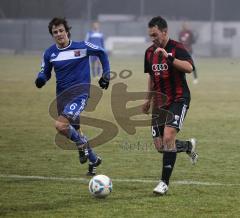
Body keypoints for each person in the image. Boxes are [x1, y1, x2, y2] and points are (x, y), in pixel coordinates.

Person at [35, 17, 110, 176]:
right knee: (73, 129)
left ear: (67, 31)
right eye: (55, 32)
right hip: (62, 97)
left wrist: (106, 74)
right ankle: (94, 160)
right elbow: (45, 72)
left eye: (61, 30)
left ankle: (81, 144)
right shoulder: (50, 53)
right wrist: (41, 78)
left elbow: (101, 52)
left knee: (60, 125)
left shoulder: (81, 46)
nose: (59, 34)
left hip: (80, 94)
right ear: (52, 35)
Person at [142, 16, 198, 195]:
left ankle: (164, 183)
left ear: (165, 32)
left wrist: (170, 58)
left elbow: (190, 68)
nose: (153, 39)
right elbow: (151, 76)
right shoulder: (149, 52)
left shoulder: (177, 48)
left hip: (178, 99)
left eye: (156, 35)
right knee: (160, 146)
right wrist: (147, 99)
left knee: (168, 138)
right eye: (151, 35)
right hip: (159, 103)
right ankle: (188, 146)